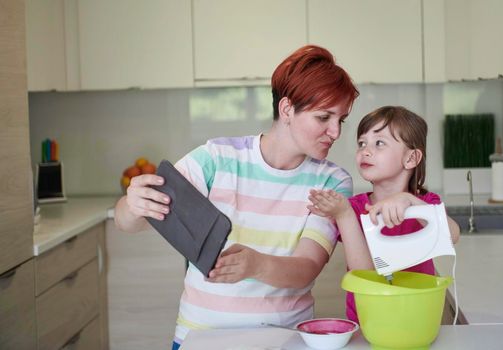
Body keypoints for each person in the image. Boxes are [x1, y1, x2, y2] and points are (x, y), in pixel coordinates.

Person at [114, 45, 359, 349]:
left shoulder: (332, 182)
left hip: (285, 340)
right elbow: (129, 222)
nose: (335, 132)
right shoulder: (216, 158)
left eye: (341, 120)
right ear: (286, 109)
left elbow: (307, 267)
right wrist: (132, 205)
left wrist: (256, 265)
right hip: (200, 337)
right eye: (324, 117)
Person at [307, 105, 460, 323]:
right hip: (369, 321)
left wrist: (410, 202)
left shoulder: (425, 204)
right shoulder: (354, 208)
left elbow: (452, 235)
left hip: (418, 318)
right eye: (362, 143)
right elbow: (364, 272)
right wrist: (343, 215)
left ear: (411, 158)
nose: (365, 151)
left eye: (379, 143)